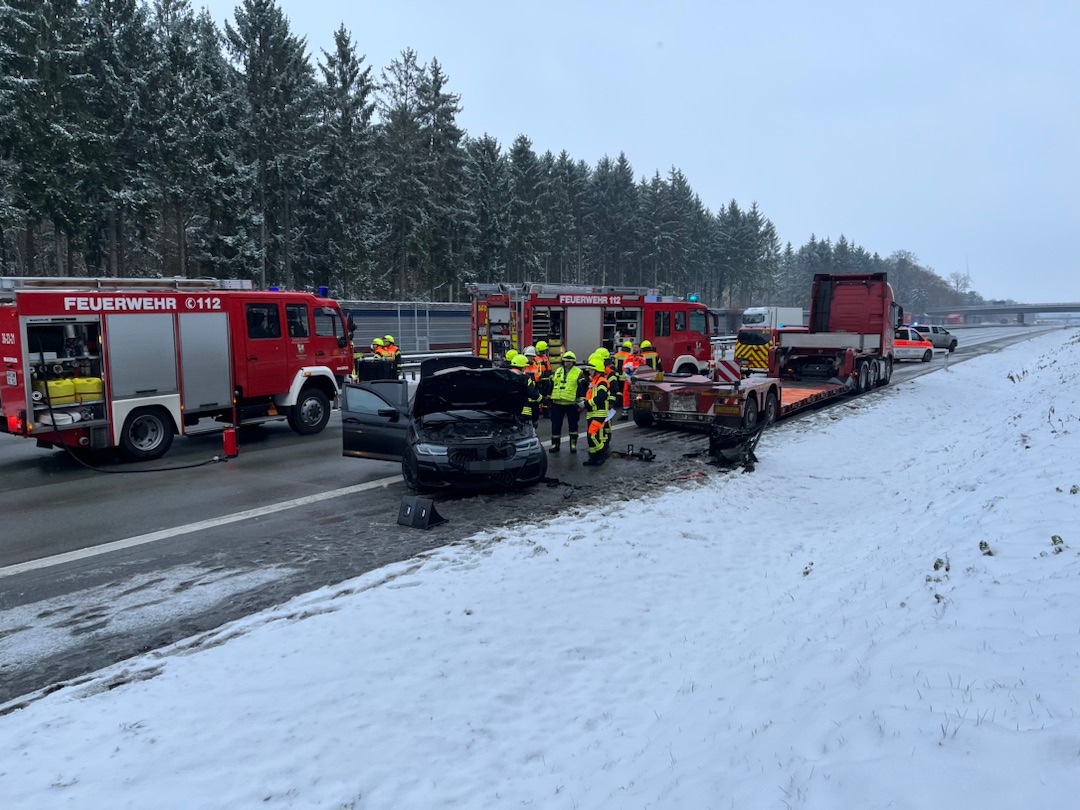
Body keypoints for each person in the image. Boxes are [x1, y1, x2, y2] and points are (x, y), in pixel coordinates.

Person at [548, 350, 583, 453]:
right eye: (566, 361)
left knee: (573, 425)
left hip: (572, 404)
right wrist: (549, 396)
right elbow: (552, 384)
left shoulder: (578, 372)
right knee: (555, 425)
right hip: (557, 403)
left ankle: (573, 444)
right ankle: (555, 444)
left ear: (573, 362)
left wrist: (581, 401)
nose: (568, 363)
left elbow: (582, 388)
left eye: (570, 361)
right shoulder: (558, 371)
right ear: (563, 361)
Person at [582, 354, 611, 466]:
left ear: (597, 370)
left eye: (591, 369)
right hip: (592, 413)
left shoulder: (602, 381)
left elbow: (601, 397)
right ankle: (593, 458)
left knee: (592, 435)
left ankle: (602, 453)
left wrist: (586, 403)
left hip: (599, 413)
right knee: (590, 438)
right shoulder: (593, 381)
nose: (589, 371)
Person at [510, 353, 541, 427]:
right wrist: (542, 399)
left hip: (508, 410)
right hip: (524, 411)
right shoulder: (525, 378)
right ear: (522, 367)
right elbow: (532, 393)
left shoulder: (506, 376)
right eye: (525, 367)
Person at [619, 342, 645, 420]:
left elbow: (642, 367)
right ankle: (625, 413)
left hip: (638, 379)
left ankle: (640, 412)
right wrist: (628, 369)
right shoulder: (629, 357)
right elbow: (624, 366)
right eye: (633, 347)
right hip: (628, 378)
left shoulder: (642, 357)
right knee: (626, 394)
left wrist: (633, 368)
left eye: (636, 347)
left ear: (639, 348)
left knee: (639, 395)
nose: (634, 348)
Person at [534, 340, 554, 417]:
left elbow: (548, 367)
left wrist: (550, 376)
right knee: (540, 396)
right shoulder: (535, 358)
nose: (544, 352)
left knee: (546, 396)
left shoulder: (544, 357)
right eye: (543, 351)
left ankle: (545, 413)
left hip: (546, 380)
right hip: (540, 380)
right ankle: (539, 411)